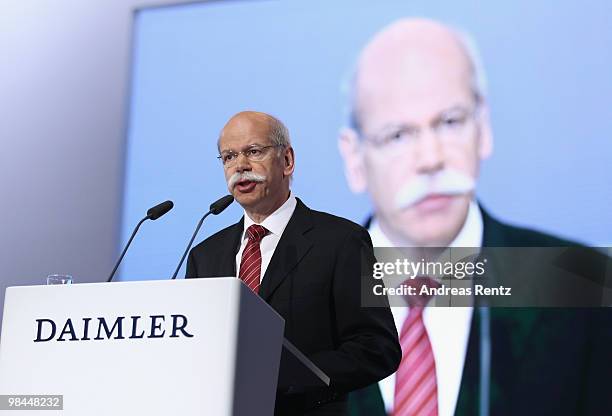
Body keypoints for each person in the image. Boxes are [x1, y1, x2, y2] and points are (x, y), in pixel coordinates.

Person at [338, 18, 612, 416]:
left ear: (482, 128)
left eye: (450, 122)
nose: (430, 158)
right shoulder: (289, 311)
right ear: (354, 159)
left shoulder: (585, 290)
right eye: (397, 135)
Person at [186, 111, 401, 415]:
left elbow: (378, 347)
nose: (240, 166)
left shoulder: (341, 241)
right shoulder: (204, 256)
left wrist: (292, 375)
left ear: (287, 160)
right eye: (229, 157)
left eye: (254, 151)